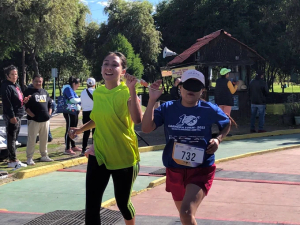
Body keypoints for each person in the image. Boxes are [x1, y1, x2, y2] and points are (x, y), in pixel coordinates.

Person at [142, 69, 231, 225]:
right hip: (175, 169)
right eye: (188, 85)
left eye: (196, 86)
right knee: (186, 218)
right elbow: (146, 128)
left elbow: (227, 123)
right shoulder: (167, 108)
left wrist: (218, 139)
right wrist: (151, 100)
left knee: (186, 212)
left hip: (201, 168)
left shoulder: (209, 109)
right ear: (180, 87)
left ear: (202, 91)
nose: (191, 90)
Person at [69, 52, 142, 225]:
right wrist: (80, 129)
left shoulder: (126, 92)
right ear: (101, 68)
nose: (109, 67)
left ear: (123, 71)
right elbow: (97, 119)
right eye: (105, 63)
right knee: (92, 205)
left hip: (123, 156)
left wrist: (132, 88)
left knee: (123, 203)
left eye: (115, 64)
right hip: (99, 154)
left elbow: (137, 119)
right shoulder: (99, 92)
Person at [1, 65, 28, 169]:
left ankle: (13, 158)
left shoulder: (16, 85)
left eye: (16, 74)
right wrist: (12, 116)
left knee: (15, 138)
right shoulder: (6, 86)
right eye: (12, 74)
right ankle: (13, 160)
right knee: (11, 138)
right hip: (12, 115)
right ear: (7, 75)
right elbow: (7, 103)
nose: (14, 76)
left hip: (19, 114)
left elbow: (17, 100)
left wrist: (24, 101)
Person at [23, 74, 54, 165]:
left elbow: (50, 104)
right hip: (34, 121)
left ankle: (44, 155)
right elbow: (25, 106)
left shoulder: (44, 92)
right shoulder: (28, 92)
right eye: (36, 81)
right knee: (32, 139)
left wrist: (49, 114)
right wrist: (32, 116)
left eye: (40, 81)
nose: (38, 83)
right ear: (32, 81)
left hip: (45, 120)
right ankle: (29, 158)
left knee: (44, 139)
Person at [62, 76, 82, 155]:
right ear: (74, 83)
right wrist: (81, 99)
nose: (78, 86)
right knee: (69, 129)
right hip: (69, 112)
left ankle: (73, 145)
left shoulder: (72, 90)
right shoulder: (68, 89)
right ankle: (67, 148)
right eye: (78, 84)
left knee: (74, 129)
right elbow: (72, 100)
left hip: (74, 112)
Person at [79, 78, 96, 157]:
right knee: (95, 132)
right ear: (94, 84)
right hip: (94, 112)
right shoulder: (96, 92)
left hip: (85, 113)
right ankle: (94, 148)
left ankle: (83, 149)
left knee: (86, 131)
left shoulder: (82, 92)